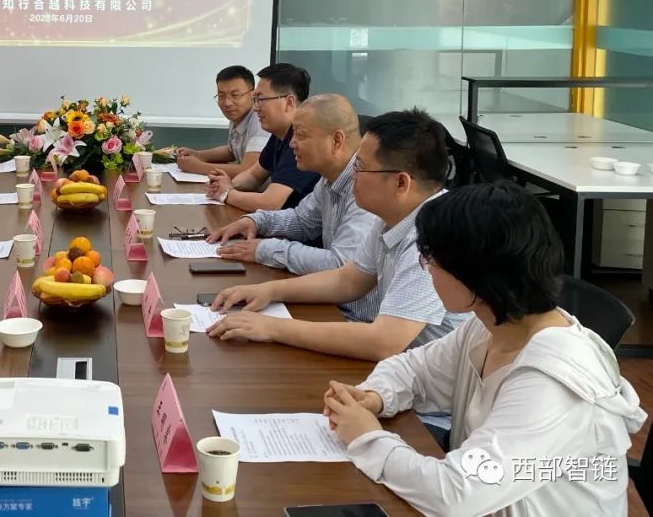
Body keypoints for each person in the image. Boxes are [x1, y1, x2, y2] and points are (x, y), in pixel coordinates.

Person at [324, 182, 647, 517]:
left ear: (476, 273)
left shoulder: (552, 381)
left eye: (432, 259)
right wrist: (375, 396)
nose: (427, 269)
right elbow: (413, 370)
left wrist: (367, 438)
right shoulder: (490, 325)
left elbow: (457, 494)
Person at [207, 109, 467, 361]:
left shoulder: (433, 238)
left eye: (360, 168)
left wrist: (272, 328)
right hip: (402, 368)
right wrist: (269, 290)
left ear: (401, 183)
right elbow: (347, 280)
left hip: (433, 386)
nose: (352, 175)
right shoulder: (392, 217)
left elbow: (383, 342)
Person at [206, 94, 381, 323]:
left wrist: (267, 249)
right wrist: (256, 221)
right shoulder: (329, 178)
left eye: (301, 135)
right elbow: (302, 220)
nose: (291, 143)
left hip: (355, 320)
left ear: (337, 140)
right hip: (329, 304)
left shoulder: (366, 186)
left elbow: (341, 266)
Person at [205, 63, 319, 212]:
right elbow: (253, 176)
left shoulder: (303, 140)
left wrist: (226, 193)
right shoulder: (280, 134)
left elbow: (270, 203)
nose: (255, 107)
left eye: (261, 99)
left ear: (289, 102)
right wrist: (225, 185)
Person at [175, 65, 268, 178]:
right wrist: (198, 155)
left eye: (235, 95)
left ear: (253, 94)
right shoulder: (238, 117)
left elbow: (249, 171)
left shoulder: (260, 120)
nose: (227, 103)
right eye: (221, 96)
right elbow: (232, 151)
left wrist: (197, 166)